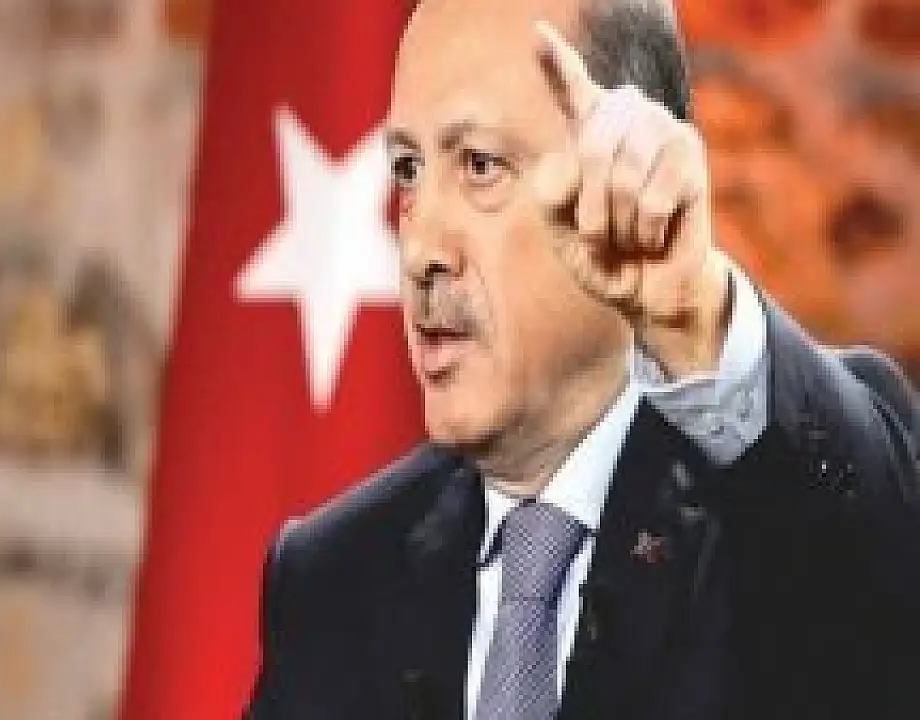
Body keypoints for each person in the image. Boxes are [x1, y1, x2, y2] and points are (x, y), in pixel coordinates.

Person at [242, 0, 920, 718]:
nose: (418, 250)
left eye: (479, 165)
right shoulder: (333, 577)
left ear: (627, 171)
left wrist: (695, 312)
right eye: (408, 170)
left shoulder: (789, 523)